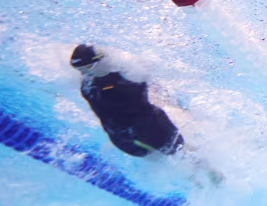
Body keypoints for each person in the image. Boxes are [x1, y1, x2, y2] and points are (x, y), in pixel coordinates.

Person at [70, 44, 222, 185]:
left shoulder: (125, 73)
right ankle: (197, 181)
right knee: (171, 158)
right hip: (128, 138)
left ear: (101, 60)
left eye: (88, 68)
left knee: (181, 152)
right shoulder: (91, 84)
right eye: (80, 70)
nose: (85, 74)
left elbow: (161, 74)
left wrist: (202, 72)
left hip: (151, 128)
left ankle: (212, 175)